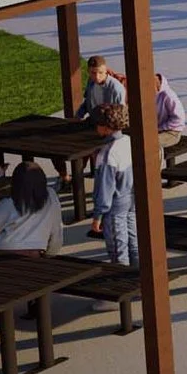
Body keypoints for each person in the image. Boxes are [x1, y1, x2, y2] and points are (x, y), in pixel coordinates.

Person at [91, 102, 136, 266]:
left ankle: (123, 281)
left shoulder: (107, 154)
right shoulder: (128, 141)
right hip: (131, 199)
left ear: (105, 127)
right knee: (133, 242)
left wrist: (97, 216)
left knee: (118, 249)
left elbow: (105, 190)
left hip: (115, 206)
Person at [0, 160, 62, 253]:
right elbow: (56, 230)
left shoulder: (8, 203)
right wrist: (51, 253)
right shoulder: (51, 196)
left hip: (3, 247)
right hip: (35, 250)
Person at [81, 54, 128, 122]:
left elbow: (121, 115)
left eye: (100, 72)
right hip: (94, 121)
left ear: (106, 70)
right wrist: (79, 114)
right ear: (88, 71)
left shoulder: (116, 88)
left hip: (109, 126)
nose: (97, 77)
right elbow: (88, 101)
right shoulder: (91, 81)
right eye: (93, 73)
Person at [151, 73, 185, 152]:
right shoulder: (152, 94)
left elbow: (179, 119)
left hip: (172, 132)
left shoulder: (169, 96)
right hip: (157, 129)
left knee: (149, 143)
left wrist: (160, 128)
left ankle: (158, 163)